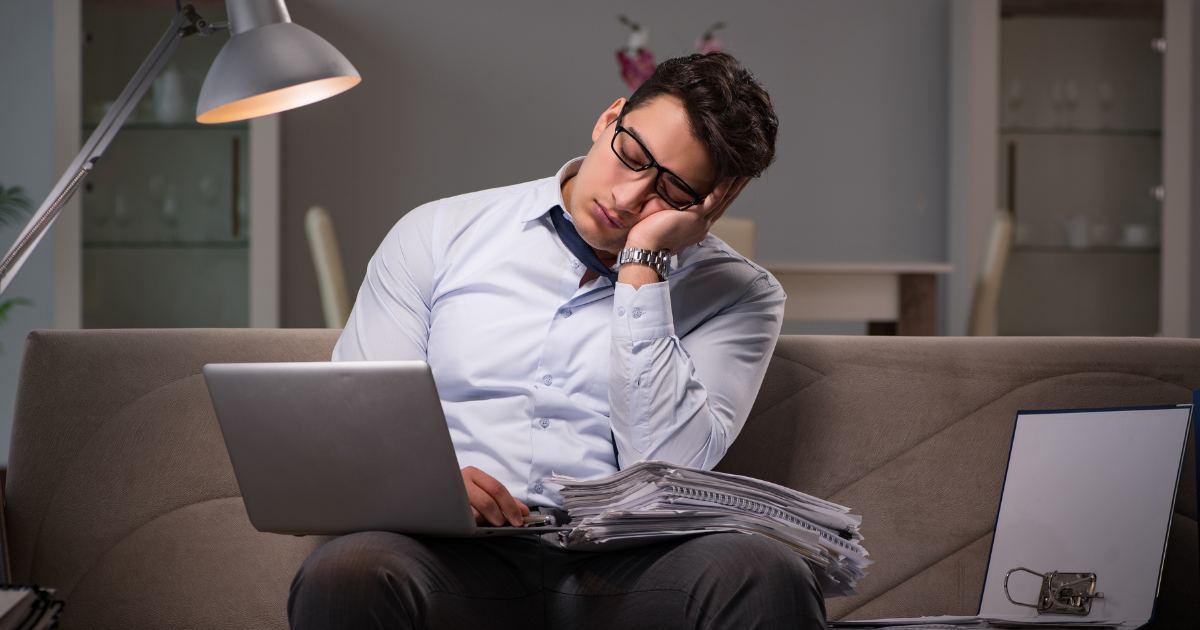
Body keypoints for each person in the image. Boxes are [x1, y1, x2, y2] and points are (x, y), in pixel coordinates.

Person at [288, 52, 825, 630]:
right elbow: (359, 432)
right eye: (632, 156)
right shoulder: (438, 234)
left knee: (765, 572)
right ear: (609, 119)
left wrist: (643, 265)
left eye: (670, 191)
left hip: (633, 568)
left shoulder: (741, 295)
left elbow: (665, 474)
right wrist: (427, 486)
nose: (627, 199)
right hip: (451, 554)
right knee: (345, 575)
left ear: (711, 204)